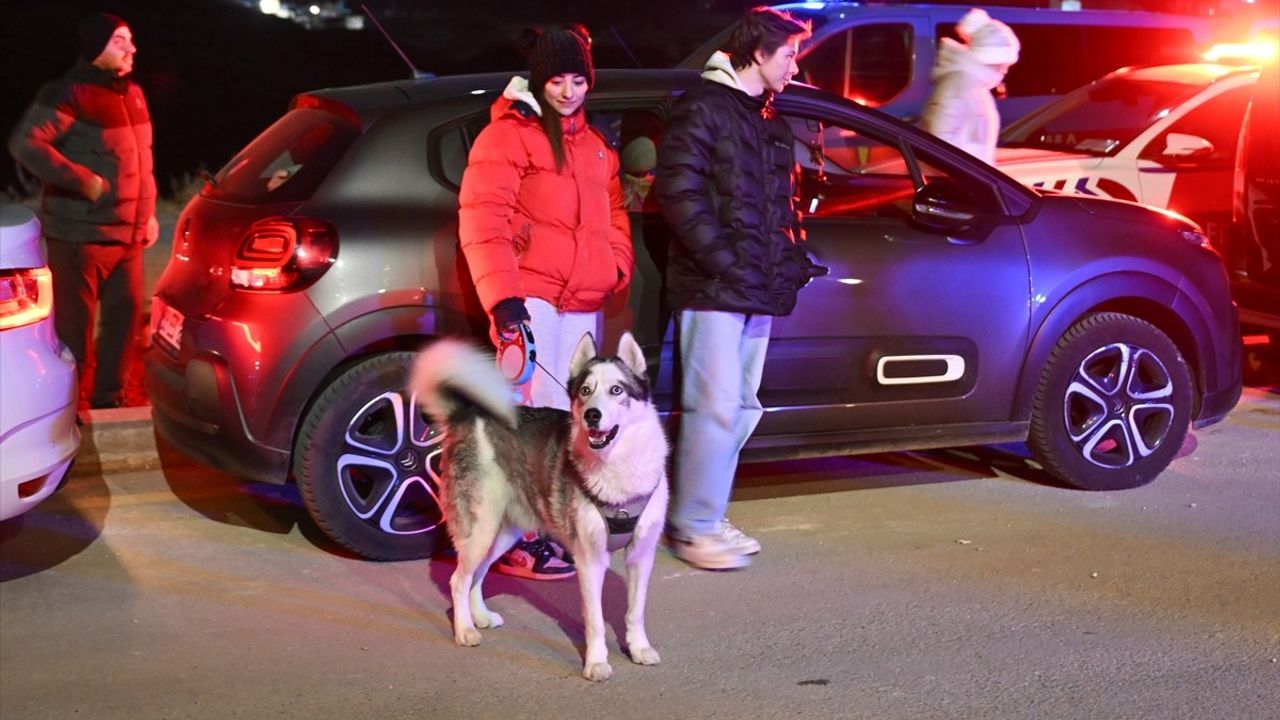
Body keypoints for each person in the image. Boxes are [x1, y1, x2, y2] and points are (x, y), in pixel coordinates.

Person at [456, 24, 633, 580]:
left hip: (583, 301)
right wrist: (505, 302)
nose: (569, 91)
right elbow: (483, 221)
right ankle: (516, 540)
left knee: (570, 420)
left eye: (578, 79)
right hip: (530, 298)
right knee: (529, 421)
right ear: (538, 81)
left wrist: (616, 262)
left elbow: (615, 210)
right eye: (557, 80)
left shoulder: (595, 143)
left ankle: (548, 529)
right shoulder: (508, 136)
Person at [655, 7, 819, 570]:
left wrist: (791, 259)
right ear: (759, 52)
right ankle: (694, 528)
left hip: (755, 288)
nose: (795, 67)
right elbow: (679, 193)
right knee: (714, 407)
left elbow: (781, 206)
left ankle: (707, 510)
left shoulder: (767, 118)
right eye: (790, 55)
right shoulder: (704, 107)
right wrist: (726, 263)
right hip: (714, 288)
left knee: (742, 407)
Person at [9, 12, 159, 410]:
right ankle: (67, 411)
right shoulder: (67, 93)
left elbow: (142, 160)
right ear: (96, 48)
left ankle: (110, 402)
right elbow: (26, 144)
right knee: (74, 333)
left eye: (130, 39)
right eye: (119, 41)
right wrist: (83, 181)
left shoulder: (133, 93)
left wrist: (147, 213)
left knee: (123, 326)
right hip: (79, 238)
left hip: (128, 238)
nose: (131, 48)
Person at [919, 8, 1021, 165]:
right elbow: (940, 144)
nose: (1005, 70)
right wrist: (973, 168)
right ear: (990, 60)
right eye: (1003, 64)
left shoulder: (974, 85)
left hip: (968, 176)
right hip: (956, 178)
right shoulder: (959, 85)